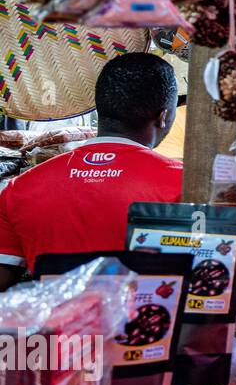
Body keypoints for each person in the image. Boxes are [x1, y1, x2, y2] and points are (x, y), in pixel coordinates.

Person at [0, 52, 181, 291]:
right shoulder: (184, 183)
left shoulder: (19, 189)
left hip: (51, 327)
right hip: (152, 324)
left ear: (100, 108)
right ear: (164, 117)